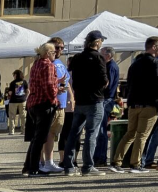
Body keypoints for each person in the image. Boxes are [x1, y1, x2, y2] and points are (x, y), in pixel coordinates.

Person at [61, 30, 109, 176]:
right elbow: (103, 80)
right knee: (91, 134)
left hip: (80, 100)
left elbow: (70, 71)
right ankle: (87, 166)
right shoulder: (98, 58)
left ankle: (68, 166)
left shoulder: (77, 57)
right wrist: (103, 84)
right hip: (94, 100)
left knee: (73, 133)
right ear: (98, 42)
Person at [113, 36, 158, 173]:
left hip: (133, 104)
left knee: (130, 134)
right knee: (142, 135)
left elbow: (130, 84)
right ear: (154, 47)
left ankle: (117, 162)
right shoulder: (155, 64)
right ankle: (135, 164)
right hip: (149, 105)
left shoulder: (135, 64)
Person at [22, 43, 59, 176]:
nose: (55, 54)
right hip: (44, 103)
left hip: (33, 103)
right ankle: (34, 167)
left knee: (36, 137)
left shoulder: (36, 64)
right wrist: (54, 99)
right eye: (54, 52)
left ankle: (28, 166)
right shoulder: (48, 65)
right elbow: (48, 85)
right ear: (48, 53)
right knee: (40, 138)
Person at [46, 37, 71, 172]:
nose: (59, 50)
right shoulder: (47, 64)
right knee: (47, 134)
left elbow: (67, 82)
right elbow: (46, 84)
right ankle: (45, 162)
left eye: (62, 47)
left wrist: (71, 99)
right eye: (57, 47)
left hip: (61, 104)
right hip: (51, 103)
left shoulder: (60, 63)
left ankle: (49, 161)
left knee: (54, 134)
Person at [94, 46, 120, 167]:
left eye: (101, 53)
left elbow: (108, 86)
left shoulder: (111, 67)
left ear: (108, 55)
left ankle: (101, 157)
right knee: (100, 129)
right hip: (106, 99)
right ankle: (99, 156)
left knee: (101, 130)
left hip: (106, 100)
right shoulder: (109, 66)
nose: (99, 55)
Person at [5, 69, 28, 135]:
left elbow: (10, 92)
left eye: (14, 75)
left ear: (16, 75)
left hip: (13, 101)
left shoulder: (12, 83)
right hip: (22, 100)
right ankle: (23, 131)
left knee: (12, 116)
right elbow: (27, 91)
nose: (13, 76)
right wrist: (25, 97)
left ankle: (12, 131)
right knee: (23, 116)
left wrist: (8, 95)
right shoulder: (24, 82)